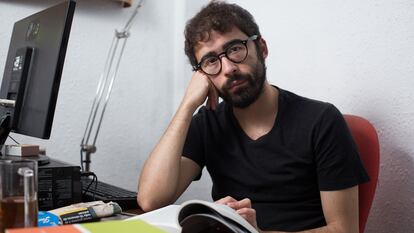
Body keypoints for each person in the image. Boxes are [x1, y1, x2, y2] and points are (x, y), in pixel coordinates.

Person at [137, 1, 369, 232]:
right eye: (211, 61)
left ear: (262, 48)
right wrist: (187, 105)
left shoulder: (321, 121)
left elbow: (345, 229)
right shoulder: (208, 122)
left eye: (235, 48)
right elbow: (151, 200)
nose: (228, 68)